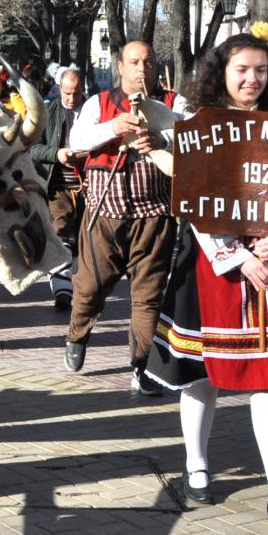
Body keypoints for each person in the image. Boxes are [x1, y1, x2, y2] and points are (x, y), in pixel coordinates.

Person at [145, 33, 268, 526]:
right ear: (222, 71)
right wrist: (237, 255)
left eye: (261, 70)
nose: (252, 79)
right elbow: (195, 197)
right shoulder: (198, 126)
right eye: (242, 69)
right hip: (213, 262)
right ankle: (197, 467)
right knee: (202, 375)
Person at [64, 41, 187, 397]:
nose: (141, 69)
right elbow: (78, 139)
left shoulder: (173, 102)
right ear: (120, 66)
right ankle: (77, 335)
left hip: (154, 216)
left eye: (148, 62)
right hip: (104, 213)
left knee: (148, 297)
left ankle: (142, 367)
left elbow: (193, 132)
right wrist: (115, 126)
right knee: (89, 287)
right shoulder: (98, 103)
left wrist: (161, 139)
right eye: (134, 62)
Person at [29, 67, 87, 310]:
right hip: (57, 184)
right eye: (67, 93)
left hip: (89, 184)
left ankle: (82, 289)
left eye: (76, 93)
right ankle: (63, 290)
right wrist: (57, 154)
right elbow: (33, 148)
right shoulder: (47, 111)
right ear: (59, 89)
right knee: (61, 231)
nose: (71, 99)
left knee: (86, 238)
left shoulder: (93, 111)